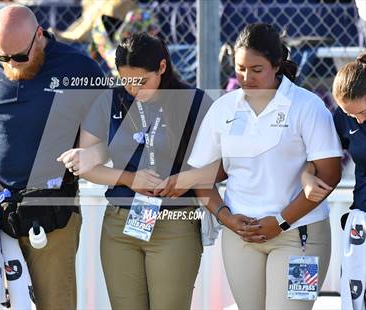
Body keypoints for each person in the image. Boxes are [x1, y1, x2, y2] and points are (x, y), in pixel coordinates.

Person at [0, 5, 104, 309]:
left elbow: (107, 138)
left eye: (19, 56)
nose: (11, 64)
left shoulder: (80, 69)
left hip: (51, 214)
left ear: (39, 35)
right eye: (2, 56)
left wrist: (89, 154)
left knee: (54, 304)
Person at [187, 23, 343, 309]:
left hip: (300, 237)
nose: (247, 77)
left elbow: (330, 175)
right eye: (240, 68)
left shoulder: (307, 106)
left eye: (256, 70)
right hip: (241, 237)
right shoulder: (223, 109)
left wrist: (281, 221)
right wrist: (225, 217)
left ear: (277, 65)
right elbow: (201, 178)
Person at [58, 32, 213, 309]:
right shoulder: (110, 101)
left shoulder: (194, 102)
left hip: (174, 222)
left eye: (141, 81)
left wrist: (186, 178)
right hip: (120, 224)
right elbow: (91, 166)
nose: (133, 89)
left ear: (162, 68)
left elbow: (221, 165)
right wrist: (127, 177)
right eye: (125, 80)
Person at [302, 53, 366, 310]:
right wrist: (306, 175)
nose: (358, 120)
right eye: (352, 115)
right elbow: (320, 157)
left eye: (363, 111)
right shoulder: (345, 117)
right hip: (362, 220)